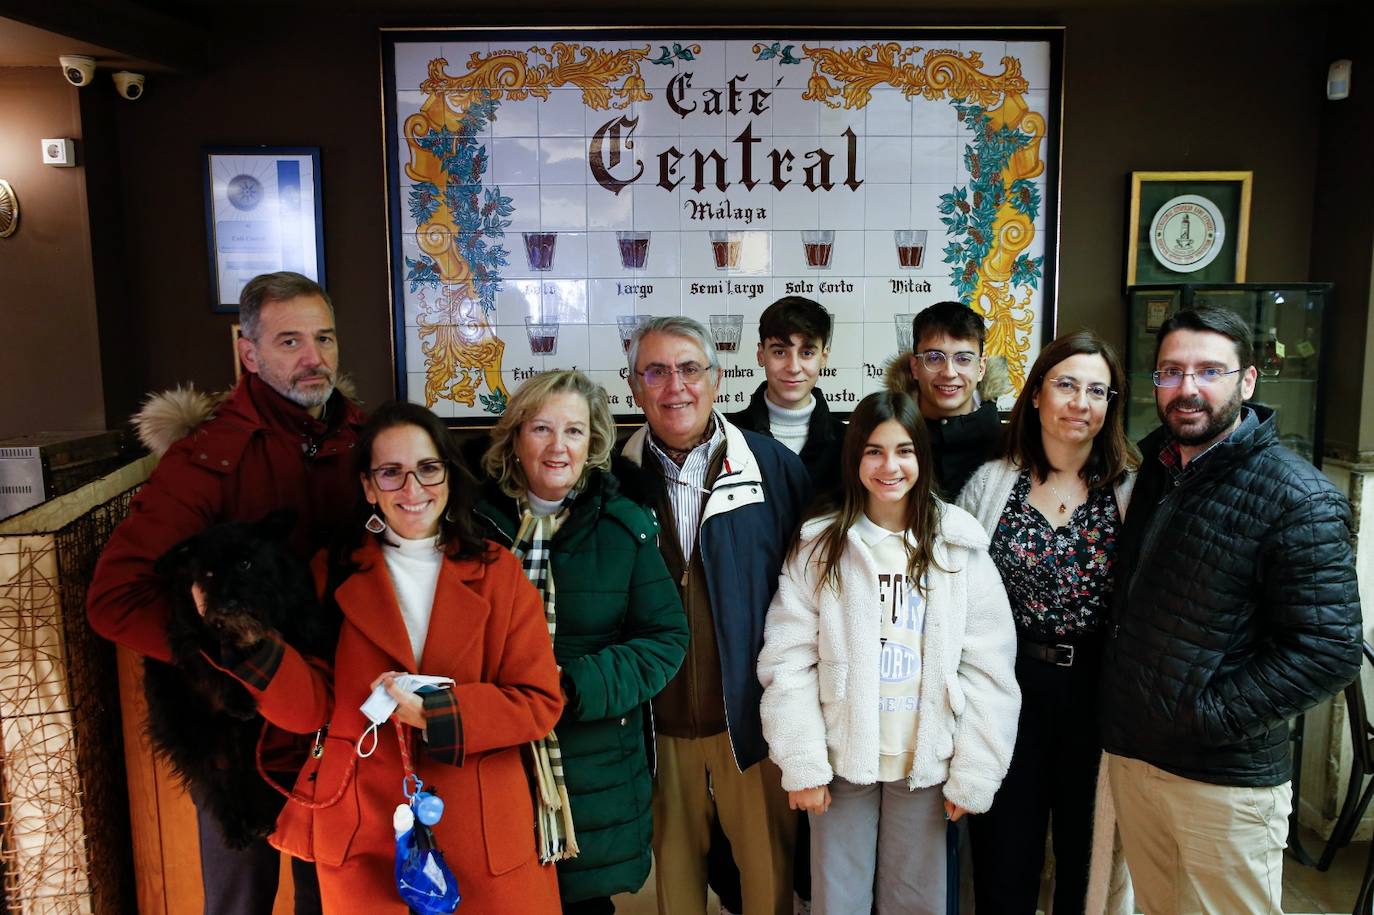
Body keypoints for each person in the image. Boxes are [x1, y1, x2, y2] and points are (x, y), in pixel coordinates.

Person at [216, 401, 564, 912]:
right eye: (391, 473)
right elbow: (308, 710)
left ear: (447, 474)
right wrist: (247, 643)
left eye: (427, 469)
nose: (412, 489)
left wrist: (438, 716)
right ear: (368, 487)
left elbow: (538, 701)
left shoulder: (500, 574)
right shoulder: (329, 573)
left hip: (482, 826)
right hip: (364, 825)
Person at [87, 270, 364, 914]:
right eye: (290, 341)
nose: (313, 357)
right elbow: (115, 600)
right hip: (237, 735)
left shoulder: (363, 443)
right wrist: (236, 660)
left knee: (336, 895)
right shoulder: (208, 458)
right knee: (241, 897)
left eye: (324, 338)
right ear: (250, 351)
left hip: (340, 715)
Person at [1100, 306, 1363, 914]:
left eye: (1209, 371)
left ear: (1247, 382)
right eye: (1171, 371)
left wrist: (1206, 716)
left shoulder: (1299, 497)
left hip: (1223, 783)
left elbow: (1327, 650)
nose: (1187, 388)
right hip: (1138, 761)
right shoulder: (1158, 473)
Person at [757, 390, 1019, 915]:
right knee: (839, 900)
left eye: (904, 450)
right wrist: (803, 762)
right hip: (841, 760)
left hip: (925, 762)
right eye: (873, 451)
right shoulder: (820, 545)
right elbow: (786, 660)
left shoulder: (956, 545)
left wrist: (975, 772)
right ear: (854, 459)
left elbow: (990, 669)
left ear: (921, 457)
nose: (889, 465)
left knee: (917, 901)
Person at [614, 316, 810, 915]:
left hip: (749, 728)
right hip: (656, 730)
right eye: (656, 371)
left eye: (689, 369)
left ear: (716, 380)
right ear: (634, 387)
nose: (675, 386)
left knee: (768, 886)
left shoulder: (774, 470)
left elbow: (807, 600)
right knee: (674, 890)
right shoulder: (611, 482)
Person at [473, 369, 688, 914]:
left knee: (583, 904)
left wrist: (568, 687)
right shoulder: (468, 525)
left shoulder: (624, 524)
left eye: (573, 431)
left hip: (592, 765)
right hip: (490, 757)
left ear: (592, 443)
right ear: (515, 437)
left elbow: (664, 638)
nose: (557, 447)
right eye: (541, 429)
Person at [959, 331, 1137, 915]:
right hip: (1008, 692)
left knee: (1091, 857)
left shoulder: (1132, 488)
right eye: (1065, 385)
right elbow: (952, 590)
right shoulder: (990, 484)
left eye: (1096, 390)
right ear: (1036, 394)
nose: (1079, 402)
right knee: (1004, 852)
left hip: (1099, 694)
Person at [883, 301, 1006, 499]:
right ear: (915, 367)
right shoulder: (882, 433)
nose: (949, 372)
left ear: (981, 368)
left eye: (963, 359)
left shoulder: (1008, 445)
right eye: (934, 358)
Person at [729, 295, 847, 495]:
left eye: (807, 353)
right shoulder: (728, 436)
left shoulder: (849, 442)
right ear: (761, 355)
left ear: (823, 357)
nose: (793, 368)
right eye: (780, 352)